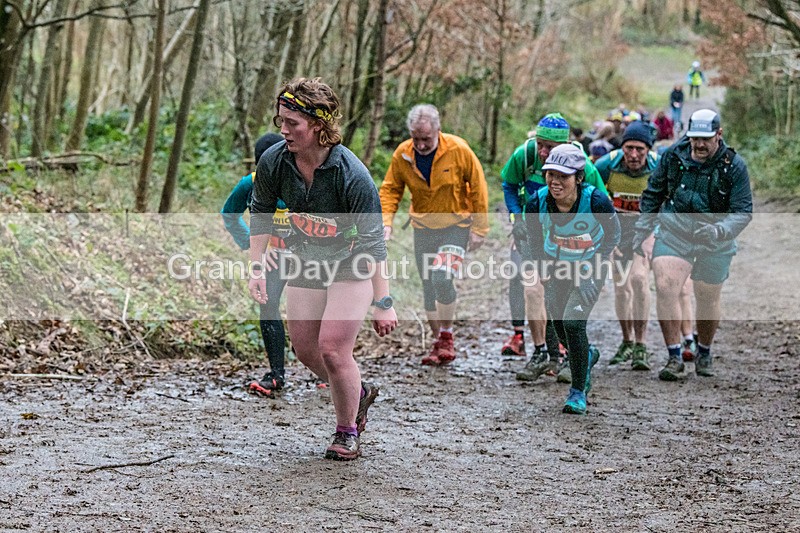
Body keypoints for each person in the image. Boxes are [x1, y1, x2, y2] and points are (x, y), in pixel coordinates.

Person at [249, 77, 398, 461]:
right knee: (305, 349)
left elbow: (373, 244)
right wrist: (255, 268)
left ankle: (347, 431)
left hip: (353, 264)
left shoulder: (352, 174)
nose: (283, 130)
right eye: (280, 120)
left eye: (292, 123)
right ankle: (358, 392)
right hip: (308, 260)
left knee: (333, 349)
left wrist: (384, 300)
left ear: (318, 125)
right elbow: (262, 212)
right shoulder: (275, 161)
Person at [632, 109, 753, 381]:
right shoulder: (673, 156)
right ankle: (674, 355)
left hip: (715, 235)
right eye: (694, 138)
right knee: (665, 285)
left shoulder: (734, 166)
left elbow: (743, 211)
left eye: (705, 139)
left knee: (707, 295)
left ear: (718, 135)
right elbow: (654, 193)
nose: (698, 144)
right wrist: (641, 231)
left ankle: (704, 350)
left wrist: (720, 230)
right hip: (676, 230)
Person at [500, 113, 609, 385]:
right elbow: (509, 186)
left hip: (570, 242)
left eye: (550, 146)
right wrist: (517, 217)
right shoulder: (524, 155)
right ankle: (541, 353)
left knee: (562, 300)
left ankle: (573, 355)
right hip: (534, 233)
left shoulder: (584, 165)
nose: (543, 152)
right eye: (540, 144)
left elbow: (600, 204)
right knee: (532, 287)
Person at [380, 104, 488, 366]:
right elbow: (391, 189)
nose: (421, 145)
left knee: (441, 276)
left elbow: (478, 187)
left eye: (426, 139)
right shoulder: (403, 154)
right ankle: (437, 341)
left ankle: (447, 335)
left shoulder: (459, 150)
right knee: (428, 286)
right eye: (416, 138)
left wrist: (480, 228)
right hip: (423, 228)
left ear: (438, 131)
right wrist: (386, 223)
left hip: (456, 226)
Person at [521, 144, 620, 414]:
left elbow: (613, 234)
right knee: (560, 326)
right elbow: (533, 237)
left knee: (574, 323)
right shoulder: (536, 202)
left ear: (578, 177)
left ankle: (578, 391)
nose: (555, 182)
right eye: (551, 174)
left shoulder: (596, 201)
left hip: (590, 266)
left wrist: (595, 265)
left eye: (563, 176)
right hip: (557, 267)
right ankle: (585, 355)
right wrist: (540, 265)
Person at [221, 132, 289, 398]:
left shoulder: (304, 178)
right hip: (273, 256)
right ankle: (276, 374)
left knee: (312, 309)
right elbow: (230, 214)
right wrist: (254, 248)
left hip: (309, 254)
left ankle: (324, 372)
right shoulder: (248, 184)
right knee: (267, 303)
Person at [594, 121, 660, 370]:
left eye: (640, 150)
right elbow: (593, 199)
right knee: (621, 288)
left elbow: (668, 203)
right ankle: (627, 340)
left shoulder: (658, 167)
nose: (633, 155)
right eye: (629, 148)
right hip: (616, 230)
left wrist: (654, 234)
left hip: (644, 230)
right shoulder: (605, 166)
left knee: (640, 280)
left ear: (648, 150)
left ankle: (641, 344)